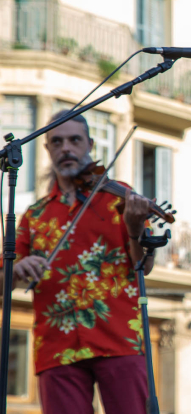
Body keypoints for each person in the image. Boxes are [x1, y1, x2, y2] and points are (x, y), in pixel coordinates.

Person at [4, 111, 153, 414]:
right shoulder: (35, 215)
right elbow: (4, 283)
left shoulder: (118, 197)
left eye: (74, 140)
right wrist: (16, 269)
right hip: (56, 345)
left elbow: (144, 266)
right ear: (47, 149)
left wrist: (136, 229)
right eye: (56, 142)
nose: (66, 148)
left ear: (90, 144)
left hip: (120, 336)